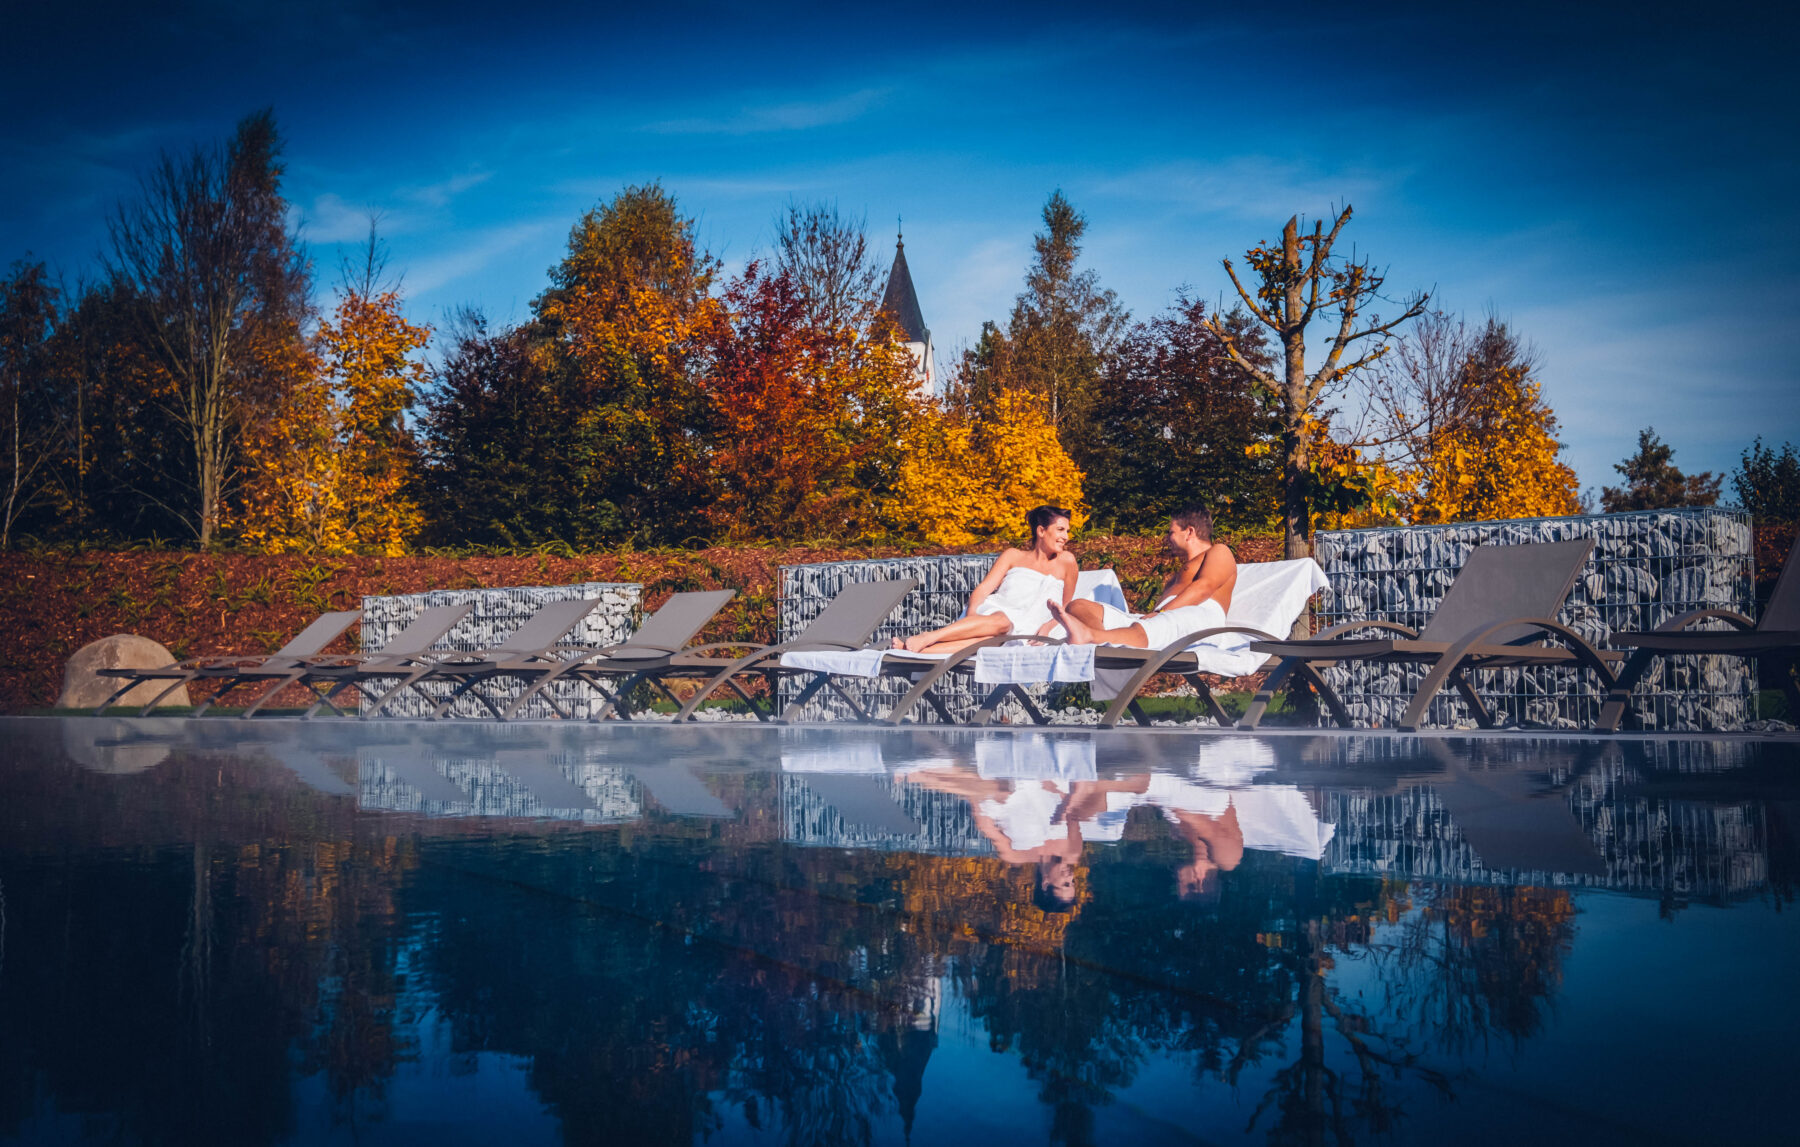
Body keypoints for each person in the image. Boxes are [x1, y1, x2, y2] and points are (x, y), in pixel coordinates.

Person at [892, 505, 1079, 654]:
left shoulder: (1067, 561)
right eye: (1061, 530)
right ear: (1041, 531)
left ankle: (917, 650)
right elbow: (984, 589)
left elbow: (1066, 605)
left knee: (988, 641)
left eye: (1067, 531)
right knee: (1002, 622)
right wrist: (972, 613)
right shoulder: (1013, 555)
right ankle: (930, 636)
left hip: (1025, 626)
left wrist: (1047, 628)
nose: (1066, 537)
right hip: (995, 613)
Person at [1046, 504, 1235, 650]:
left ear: (1190, 532)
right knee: (1078, 606)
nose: (1167, 539)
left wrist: (1161, 613)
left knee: (1147, 627)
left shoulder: (1219, 551)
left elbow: (1204, 587)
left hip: (1198, 619)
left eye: (1171, 532)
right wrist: (1157, 616)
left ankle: (1093, 637)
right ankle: (1099, 640)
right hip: (1161, 622)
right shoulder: (1180, 573)